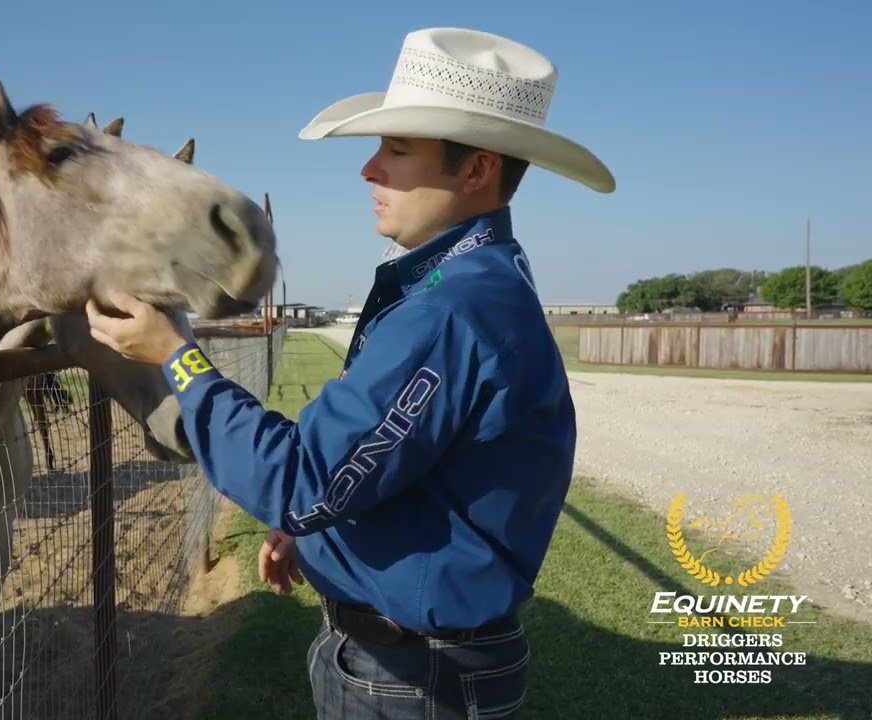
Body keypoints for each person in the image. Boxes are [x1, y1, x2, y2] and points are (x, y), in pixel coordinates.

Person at [85, 26, 615, 720]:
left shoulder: (451, 310)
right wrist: (318, 538)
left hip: (410, 680)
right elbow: (393, 469)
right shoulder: (473, 282)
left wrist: (176, 358)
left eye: (396, 150)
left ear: (477, 169)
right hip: (410, 662)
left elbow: (300, 478)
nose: (369, 170)